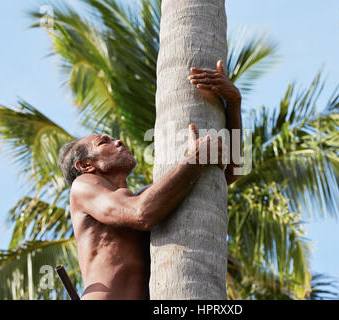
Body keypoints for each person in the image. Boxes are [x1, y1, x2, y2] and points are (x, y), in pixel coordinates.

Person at [57, 60, 242, 300]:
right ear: (85, 165)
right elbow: (142, 214)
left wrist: (234, 104)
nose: (119, 142)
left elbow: (229, 172)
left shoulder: (146, 197)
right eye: (105, 142)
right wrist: (195, 158)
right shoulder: (83, 187)